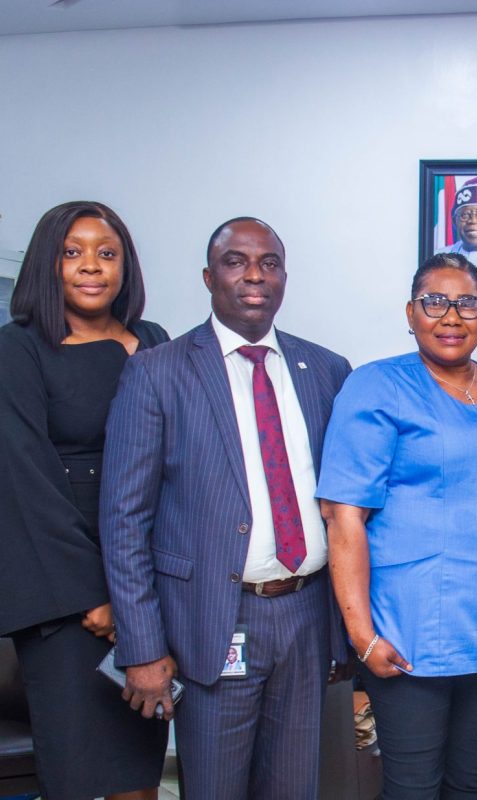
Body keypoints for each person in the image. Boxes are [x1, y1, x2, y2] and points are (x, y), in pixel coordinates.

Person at [100, 217, 352, 800]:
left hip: (306, 614)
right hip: (213, 618)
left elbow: (346, 505)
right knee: (214, 788)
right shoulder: (156, 372)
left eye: (269, 263)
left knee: (294, 788)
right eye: (237, 262)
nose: (254, 276)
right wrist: (141, 647)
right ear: (209, 277)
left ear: (285, 277)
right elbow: (123, 521)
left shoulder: (327, 371)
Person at [317, 252, 477, 799]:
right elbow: (343, 514)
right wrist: (362, 636)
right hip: (410, 631)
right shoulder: (377, 387)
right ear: (410, 313)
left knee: (470, 779)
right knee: (414, 784)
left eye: (467, 303)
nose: (450, 316)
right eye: (434, 302)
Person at [0, 201, 169, 800]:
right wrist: (94, 595)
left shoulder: (151, 342)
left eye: (106, 252)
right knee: (76, 773)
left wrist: (136, 593)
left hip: (143, 585)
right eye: (72, 252)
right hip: (64, 594)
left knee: (137, 771)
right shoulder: (18, 348)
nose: (90, 266)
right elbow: (25, 481)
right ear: (48, 264)